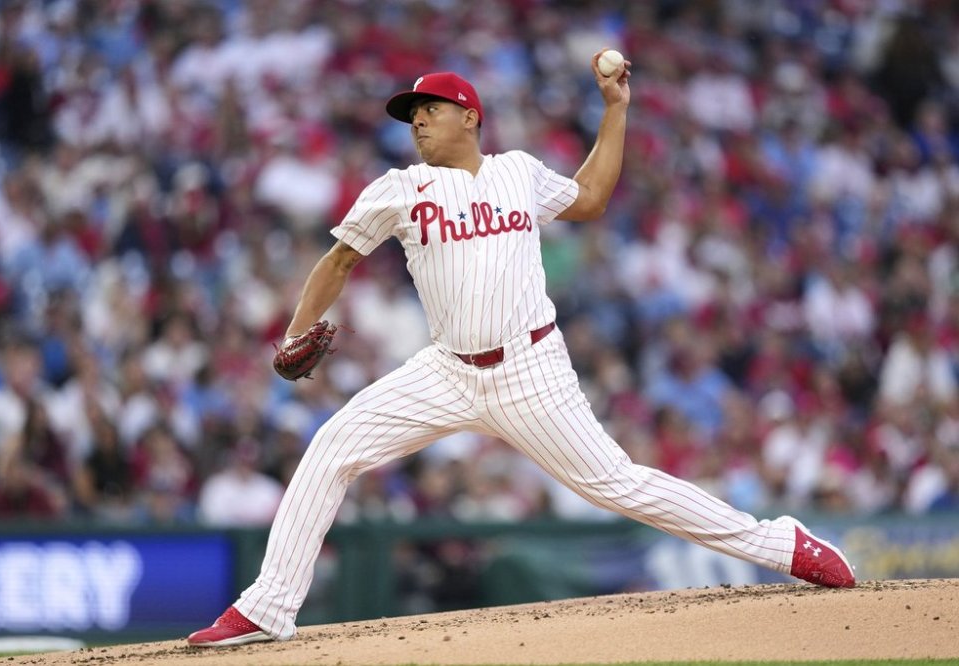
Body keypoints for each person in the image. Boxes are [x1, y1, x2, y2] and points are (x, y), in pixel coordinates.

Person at [187, 51, 855, 647]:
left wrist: (615, 109)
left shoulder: (519, 173)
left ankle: (781, 543)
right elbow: (337, 262)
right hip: (446, 369)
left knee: (617, 484)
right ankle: (269, 606)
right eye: (411, 113)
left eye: (431, 109)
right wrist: (295, 329)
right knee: (332, 448)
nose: (417, 121)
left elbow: (591, 198)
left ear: (470, 116)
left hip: (531, 368)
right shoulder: (399, 188)